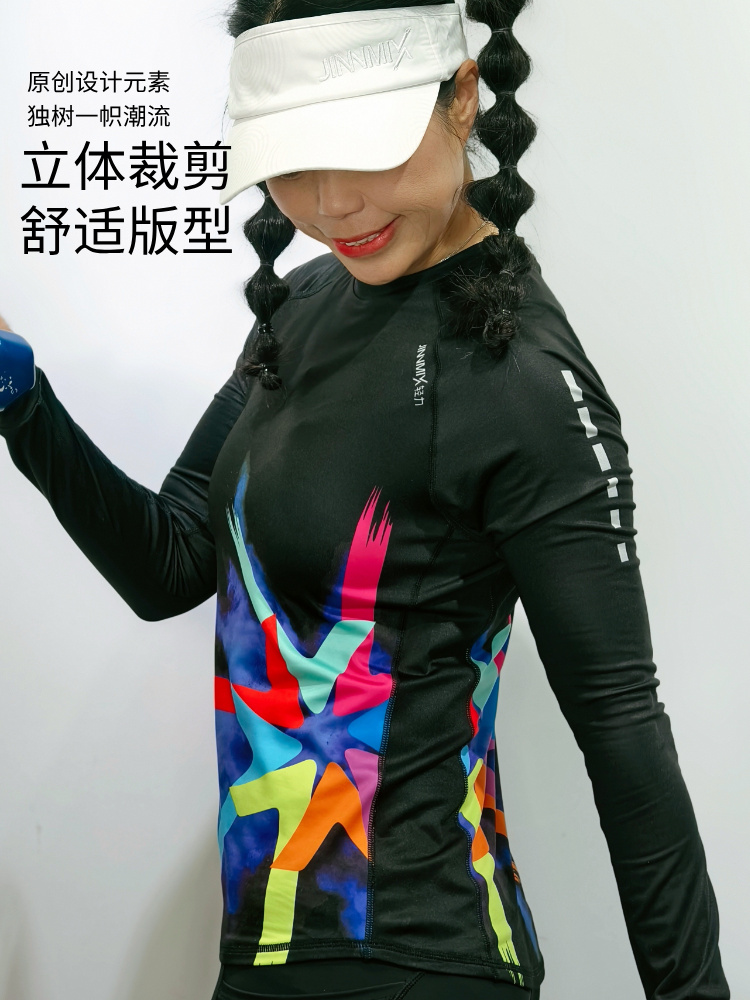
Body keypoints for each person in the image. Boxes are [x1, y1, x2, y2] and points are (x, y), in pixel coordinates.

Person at [0, 0, 731, 998]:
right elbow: (170, 562)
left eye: (364, 149)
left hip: (426, 961)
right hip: (263, 956)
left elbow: (623, 734)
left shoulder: (523, 380)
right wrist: (22, 401)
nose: (334, 203)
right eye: (293, 163)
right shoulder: (301, 306)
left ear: (463, 98)